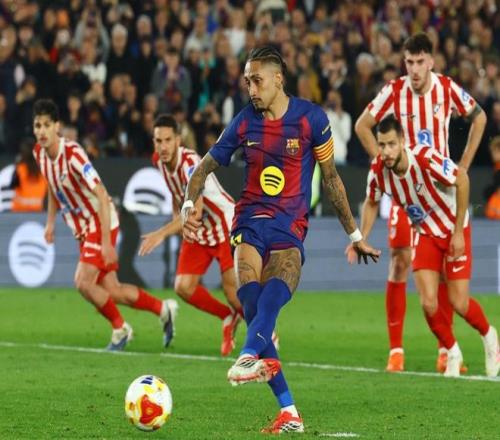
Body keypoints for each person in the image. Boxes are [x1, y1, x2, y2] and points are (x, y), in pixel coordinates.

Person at [181, 46, 380, 434]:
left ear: (278, 79)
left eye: (257, 81)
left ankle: (253, 360)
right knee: (250, 301)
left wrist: (355, 234)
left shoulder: (311, 119)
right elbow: (203, 167)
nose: (251, 89)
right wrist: (189, 203)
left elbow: (332, 180)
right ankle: (285, 406)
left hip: (289, 224)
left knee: (272, 293)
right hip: (250, 220)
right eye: (247, 82)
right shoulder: (244, 121)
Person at [355, 32, 487, 372]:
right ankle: (396, 350)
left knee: (443, 272)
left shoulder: (446, 88)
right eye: (408, 62)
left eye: (419, 62)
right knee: (399, 261)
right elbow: (363, 125)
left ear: (431, 61)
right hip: (405, 192)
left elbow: (480, 117)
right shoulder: (394, 90)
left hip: (439, 191)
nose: (413, 69)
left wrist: (464, 164)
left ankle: (446, 350)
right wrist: (383, 163)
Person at [349, 116, 499, 377]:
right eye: (382, 145)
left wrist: (458, 233)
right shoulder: (378, 170)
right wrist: (360, 238)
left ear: (402, 141)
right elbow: (372, 201)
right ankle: (452, 351)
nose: (386, 151)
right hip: (426, 233)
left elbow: (462, 180)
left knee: (459, 302)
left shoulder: (425, 158)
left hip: (453, 228)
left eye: (391, 144)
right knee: (428, 303)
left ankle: (489, 336)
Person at [32, 99, 177, 351]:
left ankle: (120, 329)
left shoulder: (73, 154)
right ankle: (163, 309)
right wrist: (50, 223)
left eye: (47, 125)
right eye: (37, 125)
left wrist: (107, 242)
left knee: (83, 282)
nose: (42, 131)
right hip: (82, 228)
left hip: (99, 220)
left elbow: (100, 193)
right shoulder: (39, 154)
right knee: (112, 290)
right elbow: (53, 187)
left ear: (57, 126)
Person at [138, 114, 242, 356]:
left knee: (233, 293)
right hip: (199, 230)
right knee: (183, 287)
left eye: (168, 140)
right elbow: (178, 195)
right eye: (158, 141)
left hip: (225, 224)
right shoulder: (159, 161)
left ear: (178, 140)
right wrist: (178, 218)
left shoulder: (190, 163)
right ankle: (227, 317)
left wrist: (162, 233)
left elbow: (196, 211)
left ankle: (267, 335)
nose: (163, 147)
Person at [10, 138, 48, 212]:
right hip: (40, 212)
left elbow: (12, 185)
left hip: (19, 212)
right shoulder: (45, 170)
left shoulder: (19, 169)